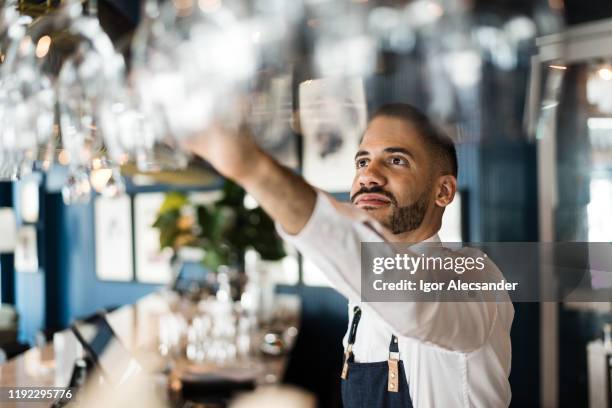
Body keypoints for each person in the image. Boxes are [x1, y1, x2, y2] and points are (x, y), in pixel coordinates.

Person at [185, 103, 513, 407]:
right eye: (362, 161)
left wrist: (252, 169)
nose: (368, 176)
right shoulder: (363, 290)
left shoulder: (474, 277)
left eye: (396, 160)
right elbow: (348, 232)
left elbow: (412, 302)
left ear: (443, 191)